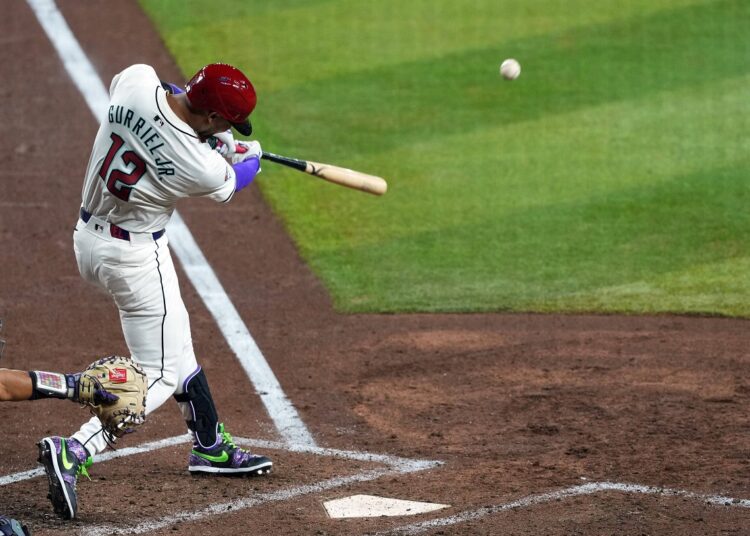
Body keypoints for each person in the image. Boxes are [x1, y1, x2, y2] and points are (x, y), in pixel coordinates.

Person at [38, 63, 272, 521]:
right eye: (224, 122)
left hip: (89, 237)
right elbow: (232, 179)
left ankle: (209, 445)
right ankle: (74, 450)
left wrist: (214, 135)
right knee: (159, 373)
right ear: (212, 119)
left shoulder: (136, 81)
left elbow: (170, 99)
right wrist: (249, 156)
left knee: (175, 340)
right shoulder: (200, 166)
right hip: (132, 260)